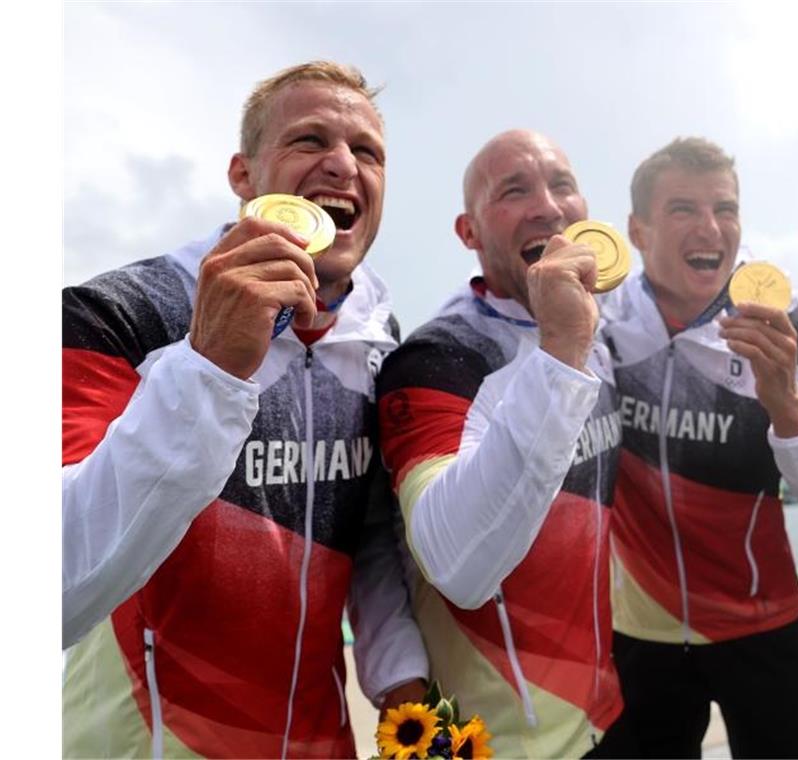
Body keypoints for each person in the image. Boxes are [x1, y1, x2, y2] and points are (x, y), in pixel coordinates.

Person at [62, 61, 427, 758]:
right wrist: (207, 367)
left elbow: (372, 540)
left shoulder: (384, 342)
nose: (342, 165)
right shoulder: (113, 312)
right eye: (309, 140)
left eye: (367, 152)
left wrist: (404, 693)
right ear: (243, 176)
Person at [597, 137, 798, 758]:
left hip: (764, 626)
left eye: (725, 208)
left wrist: (788, 404)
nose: (711, 227)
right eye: (684, 209)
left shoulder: (795, 322)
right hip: (641, 635)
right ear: (638, 231)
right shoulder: (597, 319)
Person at [376, 129, 625, 759]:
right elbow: (458, 567)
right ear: (469, 232)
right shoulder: (437, 358)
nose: (548, 205)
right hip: (494, 742)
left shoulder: (603, 332)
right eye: (514, 191)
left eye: (562, 184)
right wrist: (562, 349)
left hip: (605, 714)